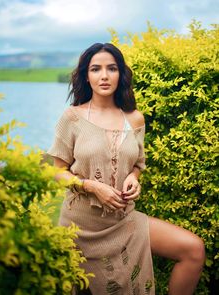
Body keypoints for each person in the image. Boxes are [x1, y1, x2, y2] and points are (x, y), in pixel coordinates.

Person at [47, 43, 205, 295]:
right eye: (96, 69)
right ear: (86, 76)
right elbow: (57, 171)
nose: (104, 75)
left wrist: (134, 177)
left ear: (121, 73)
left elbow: (137, 164)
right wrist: (92, 186)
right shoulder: (72, 117)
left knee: (193, 249)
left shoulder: (135, 118)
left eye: (111, 68)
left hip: (123, 220)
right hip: (81, 228)